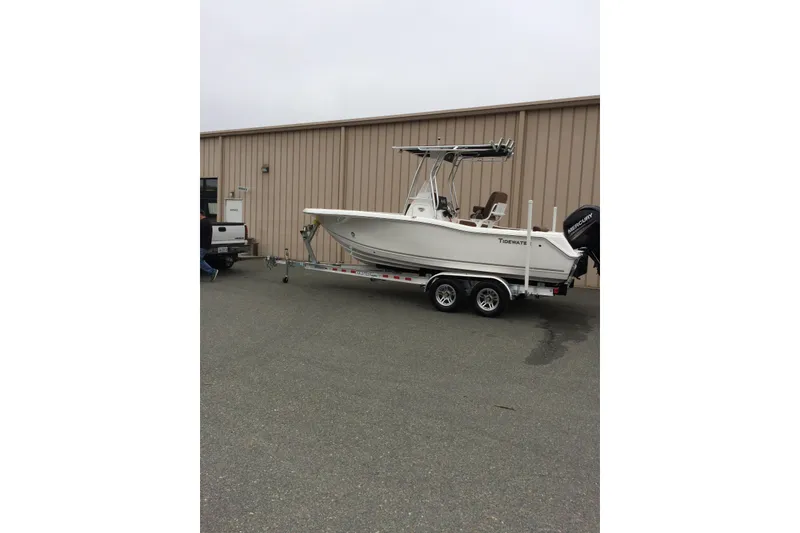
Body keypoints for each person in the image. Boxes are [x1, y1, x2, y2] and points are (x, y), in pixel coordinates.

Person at [200, 210, 219, 281]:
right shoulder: (207, 222)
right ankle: (211, 271)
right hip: (205, 244)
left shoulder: (203, 222)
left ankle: (212, 271)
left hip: (202, 245)